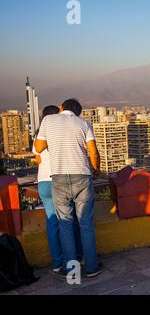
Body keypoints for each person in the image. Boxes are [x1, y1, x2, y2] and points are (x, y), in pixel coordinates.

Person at [34, 99, 103, 278]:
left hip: (59, 178)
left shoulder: (48, 121)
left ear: (61, 108)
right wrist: (96, 170)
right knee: (85, 224)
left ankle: (71, 270)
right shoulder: (84, 124)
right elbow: (93, 153)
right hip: (82, 176)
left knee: (64, 225)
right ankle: (91, 267)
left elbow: (39, 148)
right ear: (78, 113)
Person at [32, 105, 83, 274]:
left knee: (52, 223)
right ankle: (77, 257)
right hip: (59, 180)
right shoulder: (61, 132)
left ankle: (57, 263)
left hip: (43, 183)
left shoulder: (38, 137)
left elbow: (38, 159)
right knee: (71, 220)